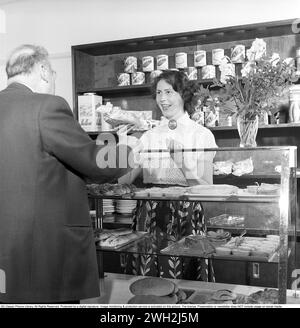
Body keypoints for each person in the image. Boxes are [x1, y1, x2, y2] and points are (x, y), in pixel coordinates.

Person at [0, 44, 131, 304]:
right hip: (43, 255)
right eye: (54, 74)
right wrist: (128, 149)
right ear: (44, 71)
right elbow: (94, 162)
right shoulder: (47, 107)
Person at [119, 70, 218, 281]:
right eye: (158, 93)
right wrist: (122, 144)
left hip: (186, 212)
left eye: (169, 92)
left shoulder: (201, 134)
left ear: (183, 94)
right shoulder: (148, 136)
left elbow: (207, 187)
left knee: (186, 281)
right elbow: (124, 181)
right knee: (147, 283)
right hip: (149, 212)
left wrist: (182, 163)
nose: (163, 99)